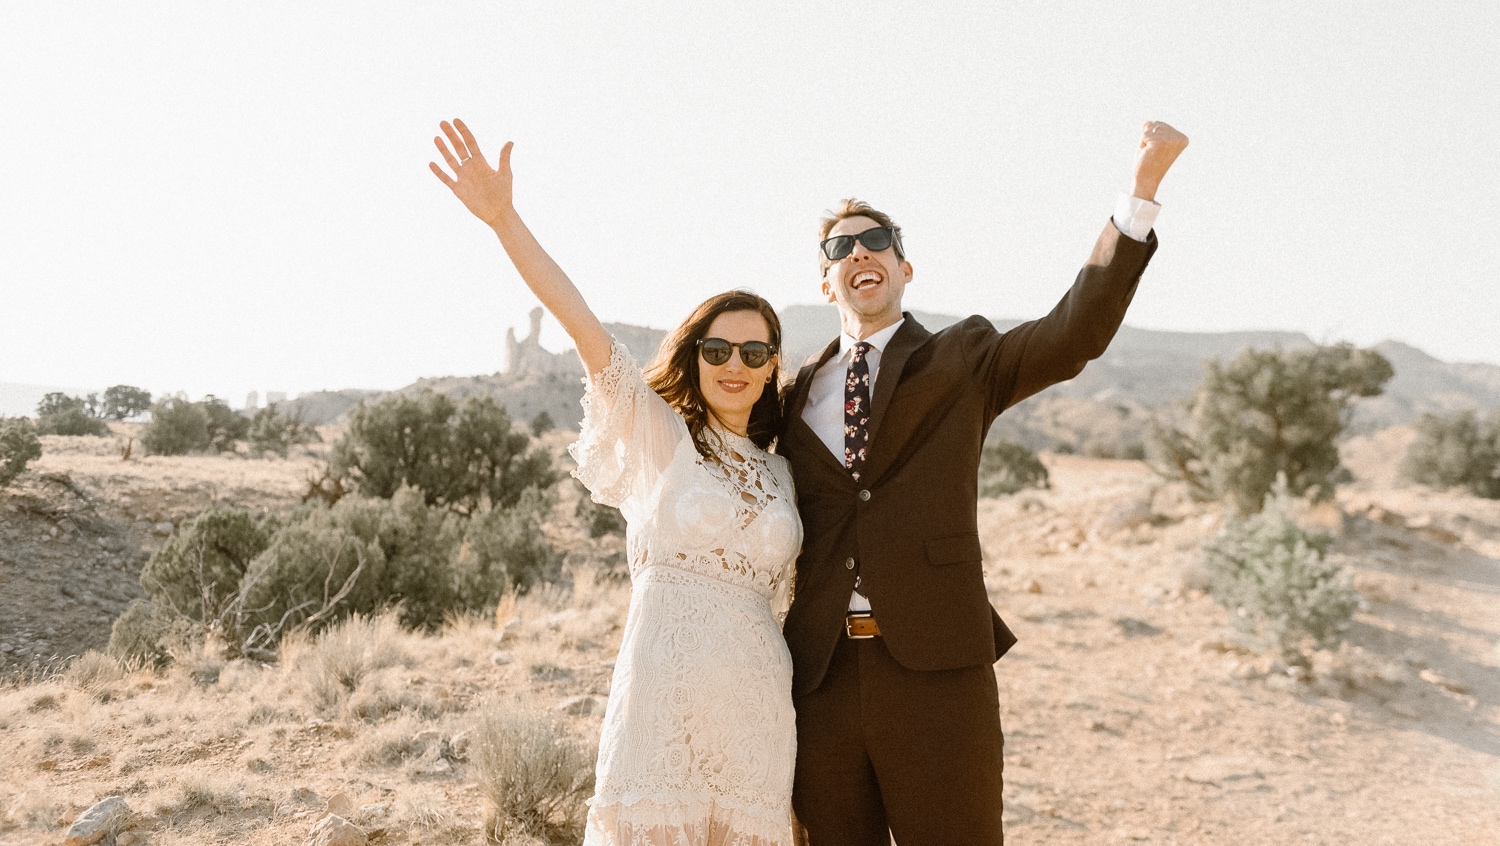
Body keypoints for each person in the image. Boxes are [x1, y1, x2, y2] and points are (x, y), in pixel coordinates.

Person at [779, 121, 1189, 845]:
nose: (860, 253)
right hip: (821, 678)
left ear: (906, 270)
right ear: (824, 281)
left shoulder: (961, 359)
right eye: (840, 248)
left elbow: (1073, 332)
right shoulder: (791, 394)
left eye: (877, 242)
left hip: (938, 672)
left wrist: (1140, 195)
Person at [428, 119, 803, 846]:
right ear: (694, 356)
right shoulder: (662, 438)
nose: (735, 362)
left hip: (760, 715)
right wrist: (505, 219)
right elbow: (580, 324)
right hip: (662, 710)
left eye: (754, 350)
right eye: (718, 347)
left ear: (770, 366)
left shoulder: (787, 470)